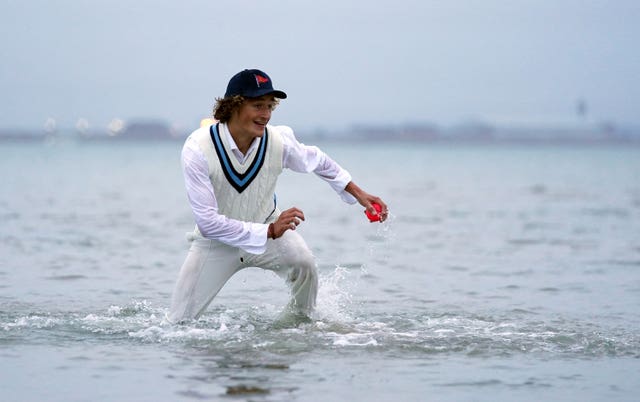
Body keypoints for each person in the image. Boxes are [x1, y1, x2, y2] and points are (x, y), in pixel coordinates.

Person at [167, 69, 388, 324]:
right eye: (257, 105)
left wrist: (359, 194)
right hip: (216, 243)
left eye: (270, 106)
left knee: (304, 263)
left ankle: (300, 325)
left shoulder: (278, 140)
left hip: (268, 226)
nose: (266, 115)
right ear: (232, 106)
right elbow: (207, 222)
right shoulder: (198, 148)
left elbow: (318, 160)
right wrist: (269, 231)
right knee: (177, 326)